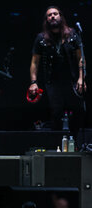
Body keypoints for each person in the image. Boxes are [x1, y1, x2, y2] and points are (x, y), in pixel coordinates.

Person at [29, 6, 86, 134]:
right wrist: (33, 82)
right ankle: (56, 146)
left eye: (55, 14)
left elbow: (80, 58)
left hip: (71, 81)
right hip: (52, 82)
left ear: (60, 16)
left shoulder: (72, 34)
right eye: (49, 15)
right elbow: (34, 62)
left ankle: (74, 145)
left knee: (77, 112)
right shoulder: (41, 38)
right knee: (56, 113)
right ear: (46, 19)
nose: (52, 16)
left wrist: (81, 78)